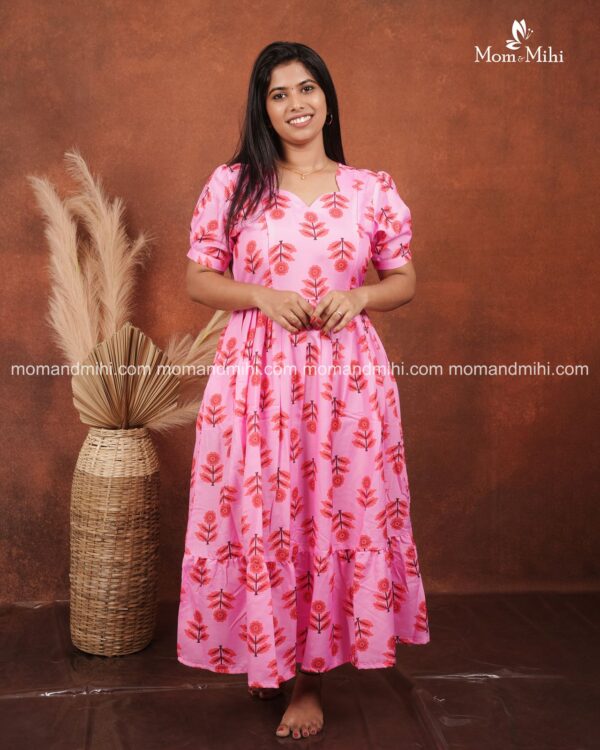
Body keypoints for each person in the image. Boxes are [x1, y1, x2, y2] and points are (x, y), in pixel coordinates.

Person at [177, 41, 430, 740]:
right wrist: (259, 293)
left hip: (345, 381)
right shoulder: (234, 185)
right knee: (262, 512)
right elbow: (198, 278)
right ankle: (268, 654)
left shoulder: (370, 189)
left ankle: (309, 682)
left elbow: (404, 278)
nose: (296, 104)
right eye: (279, 93)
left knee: (328, 511)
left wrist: (363, 297)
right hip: (256, 378)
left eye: (307, 87)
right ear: (263, 108)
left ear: (327, 99)